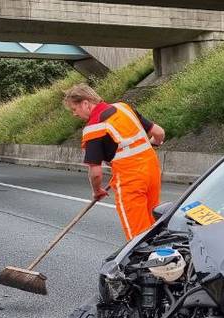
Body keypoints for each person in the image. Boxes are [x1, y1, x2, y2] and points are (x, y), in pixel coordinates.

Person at [63, 83, 166, 240]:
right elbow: (159, 133)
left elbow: (96, 173)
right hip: (152, 172)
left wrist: (97, 191)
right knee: (154, 225)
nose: (74, 114)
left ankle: (148, 261)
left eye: (74, 109)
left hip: (130, 180)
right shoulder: (123, 108)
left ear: (85, 103)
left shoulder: (94, 128)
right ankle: (164, 259)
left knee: (138, 238)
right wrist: (153, 143)